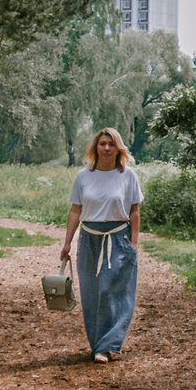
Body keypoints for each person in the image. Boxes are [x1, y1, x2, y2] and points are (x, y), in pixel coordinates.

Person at [60, 128, 143, 362]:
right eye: (102, 144)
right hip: (89, 238)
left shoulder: (128, 176)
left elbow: (134, 211)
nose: (106, 148)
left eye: (111, 144)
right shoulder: (83, 176)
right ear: (95, 147)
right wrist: (67, 243)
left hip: (118, 238)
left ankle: (108, 344)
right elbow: (75, 211)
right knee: (92, 293)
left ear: (119, 148)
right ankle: (98, 343)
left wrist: (134, 243)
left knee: (111, 290)